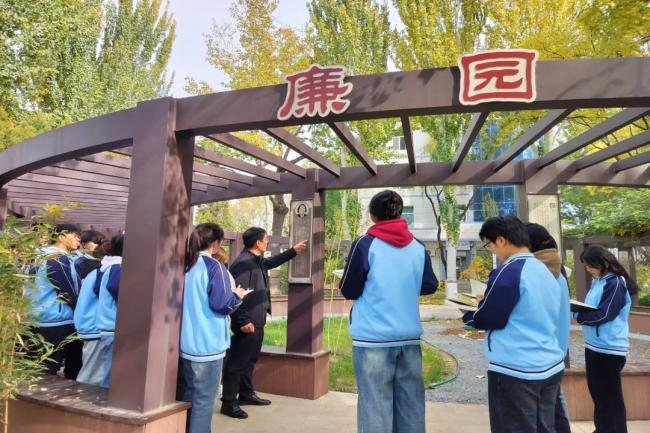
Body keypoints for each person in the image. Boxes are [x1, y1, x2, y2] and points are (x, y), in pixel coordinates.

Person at [339, 190, 438, 433]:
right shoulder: (417, 246)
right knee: (411, 406)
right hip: (409, 338)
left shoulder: (365, 244)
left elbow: (349, 289)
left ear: (372, 215)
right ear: (400, 213)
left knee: (375, 407)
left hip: (372, 339)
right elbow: (430, 285)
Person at [462, 216, 565, 433]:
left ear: (501, 240)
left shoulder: (509, 271)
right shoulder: (545, 271)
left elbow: (490, 318)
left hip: (516, 368)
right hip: (549, 364)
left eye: (489, 245)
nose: (491, 250)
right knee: (544, 428)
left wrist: (470, 315)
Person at [220, 227, 307, 419]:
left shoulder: (256, 261)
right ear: (257, 243)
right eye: (266, 239)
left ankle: (246, 394)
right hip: (248, 323)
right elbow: (236, 294)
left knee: (250, 359)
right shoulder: (242, 264)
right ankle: (228, 402)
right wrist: (243, 321)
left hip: (257, 319)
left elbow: (271, 262)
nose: (268, 241)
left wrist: (293, 251)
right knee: (237, 362)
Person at [178, 223, 249, 433]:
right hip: (208, 345)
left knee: (190, 393)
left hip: (186, 343)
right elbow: (221, 305)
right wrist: (237, 295)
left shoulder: (186, 265)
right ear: (216, 243)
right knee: (204, 400)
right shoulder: (214, 267)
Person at [575, 245, 636, 433]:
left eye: (590, 265)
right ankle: (602, 429)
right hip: (594, 346)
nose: (588, 269)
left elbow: (605, 314)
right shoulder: (599, 281)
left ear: (604, 263)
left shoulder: (615, 283)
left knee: (610, 399)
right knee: (600, 396)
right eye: (586, 266)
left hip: (609, 350)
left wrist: (579, 316)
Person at [525, 223, 572, 433]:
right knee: (554, 411)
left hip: (542, 354)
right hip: (555, 351)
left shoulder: (539, 273)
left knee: (548, 415)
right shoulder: (555, 271)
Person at [26, 223, 83, 378]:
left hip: (32, 317)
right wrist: (80, 310)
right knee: (47, 368)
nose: (79, 240)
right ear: (61, 236)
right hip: (53, 320)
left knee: (33, 367)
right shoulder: (57, 258)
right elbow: (66, 290)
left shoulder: (36, 255)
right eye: (75, 236)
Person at [74, 237, 111, 386]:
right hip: (95, 326)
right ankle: (80, 398)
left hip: (87, 324)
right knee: (91, 376)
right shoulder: (103, 273)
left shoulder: (93, 272)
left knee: (91, 372)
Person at [95, 234, 124, 388]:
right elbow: (117, 290)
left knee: (110, 370)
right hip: (113, 326)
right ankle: (105, 399)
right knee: (111, 374)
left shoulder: (107, 265)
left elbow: (96, 289)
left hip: (108, 325)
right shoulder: (117, 267)